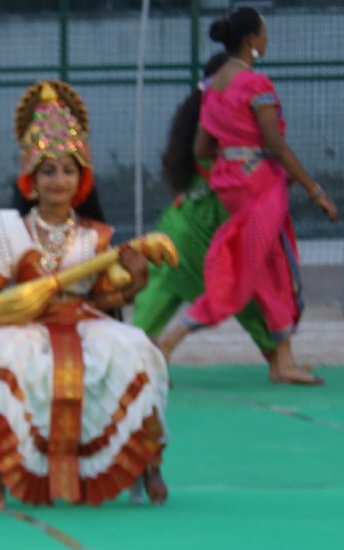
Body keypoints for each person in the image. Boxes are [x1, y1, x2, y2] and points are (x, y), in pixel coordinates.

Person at [0, 82, 168, 509]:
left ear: (82, 179)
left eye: (68, 170)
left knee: (139, 348)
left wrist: (137, 280)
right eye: (48, 170)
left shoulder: (97, 236)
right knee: (2, 350)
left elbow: (110, 300)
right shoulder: (12, 234)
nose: (59, 180)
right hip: (30, 324)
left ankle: (146, 459)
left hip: (86, 321)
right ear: (31, 180)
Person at [154, 7, 338, 383]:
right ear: (252, 40)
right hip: (261, 190)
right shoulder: (256, 85)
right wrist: (314, 189)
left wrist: (231, 160)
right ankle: (169, 341)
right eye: (264, 34)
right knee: (239, 271)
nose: (267, 40)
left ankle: (284, 361)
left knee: (272, 270)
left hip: (235, 188)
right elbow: (276, 144)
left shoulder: (216, 85)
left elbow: (203, 148)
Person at [133, 53, 279, 371]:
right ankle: (278, 360)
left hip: (176, 225)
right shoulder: (226, 116)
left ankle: (130, 362)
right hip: (207, 228)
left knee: (156, 300)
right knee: (242, 291)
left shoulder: (196, 113)